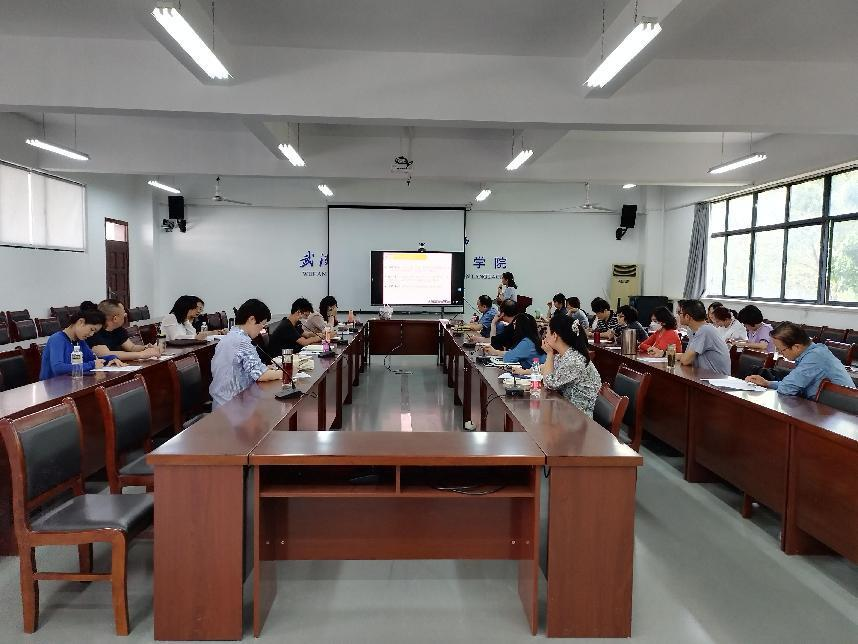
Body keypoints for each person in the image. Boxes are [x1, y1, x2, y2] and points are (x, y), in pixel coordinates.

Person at [746, 323, 855, 398]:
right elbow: (792, 384)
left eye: (781, 350)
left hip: (843, 413)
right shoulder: (810, 353)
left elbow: (787, 388)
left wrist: (770, 384)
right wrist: (767, 383)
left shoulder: (815, 357)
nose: (779, 353)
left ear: (796, 347)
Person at [209, 298, 282, 408]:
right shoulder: (242, 341)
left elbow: (247, 368)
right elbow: (261, 375)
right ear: (252, 319)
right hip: (232, 406)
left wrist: (266, 368)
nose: (261, 330)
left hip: (222, 402)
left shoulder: (231, 336)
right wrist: (288, 372)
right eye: (262, 325)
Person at [525, 314, 601, 417]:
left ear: (554, 335)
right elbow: (546, 368)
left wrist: (549, 354)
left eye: (547, 332)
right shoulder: (566, 354)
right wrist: (522, 372)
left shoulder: (573, 361)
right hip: (565, 407)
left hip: (578, 417)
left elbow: (549, 383)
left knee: (534, 415)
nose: (545, 336)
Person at [40, 307, 123, 379]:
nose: (91, 334)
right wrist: (92, 365)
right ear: (81, 322)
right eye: (91, 329)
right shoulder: (57, 339)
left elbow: (94, 359)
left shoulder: (80, 341)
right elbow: (58, 368)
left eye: (94, 332)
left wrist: (111, 358)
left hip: (71, 383)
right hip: (53, 386)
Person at [88, 299, 163, 361]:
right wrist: (141, 354)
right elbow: (105, 354)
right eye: (123, 312)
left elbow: (131, 347)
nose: (126, 315)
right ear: (115, 319)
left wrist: (146, 348)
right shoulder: (94, 331)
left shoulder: (118, 329)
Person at [675, 299, 731, 375]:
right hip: (705, 376)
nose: (678, 316)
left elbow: (686, 360)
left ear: (687, 317)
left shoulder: (705, 330)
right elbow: (687, 356)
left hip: (717, 379)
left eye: (679, 313)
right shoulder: (694, 331)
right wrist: (666, 354)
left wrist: (675, 356)